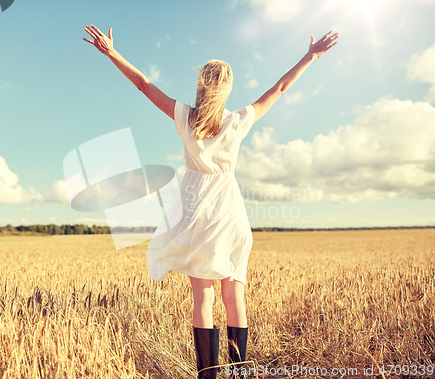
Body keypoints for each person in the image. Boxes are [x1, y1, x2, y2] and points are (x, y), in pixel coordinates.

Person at [83, 25, 338, 379]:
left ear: (201, 84)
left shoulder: (185, 117)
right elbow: (279, 88)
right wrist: (310, 57)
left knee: (202, 298)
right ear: (227, 87)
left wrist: (112, 54)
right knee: (235, 298)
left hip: (194, 213)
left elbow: (143, 85)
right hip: (228, 213)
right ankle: (239, 373)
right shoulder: (238, 121)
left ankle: (208, 375)